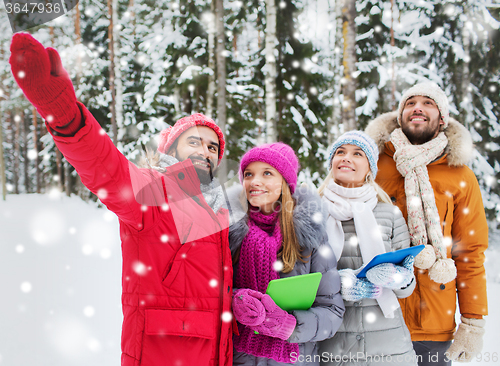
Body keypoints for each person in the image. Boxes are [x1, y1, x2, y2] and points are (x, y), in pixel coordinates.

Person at [10, 33, 234, 366]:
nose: (205, 151)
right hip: (161, 356)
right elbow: (105, 168)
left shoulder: (220, 213)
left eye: (212, 147)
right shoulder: (154, 192)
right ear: (170, 151)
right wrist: (64, 114)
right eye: (194, 142)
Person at [365, 82, 488, 365]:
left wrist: (472, 321)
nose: (417, 107)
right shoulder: (372, 165)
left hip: (432, 321)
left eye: (427, 103)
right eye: (410, 103)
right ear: (400, 116)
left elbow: (470, 251)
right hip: (376, 312)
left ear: (441, 119)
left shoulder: (460, 175)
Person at [227, 143, 345, 365]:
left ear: (285, 182)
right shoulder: (228, 231)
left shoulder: (310, 235)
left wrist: (291, 326)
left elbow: (332, 310)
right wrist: (234, 299)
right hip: (239, 358)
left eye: (267, 173)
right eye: (248, 174)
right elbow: (208, 292)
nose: (254, 181)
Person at [318, 131, 418, 366]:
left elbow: (408, 287)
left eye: (357, 153)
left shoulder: (390, 214)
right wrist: (335, 284)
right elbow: (300, 275)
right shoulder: (313, 212)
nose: (346, 158)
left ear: (370, 168)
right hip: (332, 346)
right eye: (340, 152)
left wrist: (397, 277)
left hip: (388, 348)